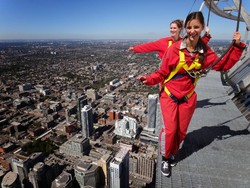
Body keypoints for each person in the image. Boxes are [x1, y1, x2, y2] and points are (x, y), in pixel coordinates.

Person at [136, 11, 245, 177]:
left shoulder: (205, 52)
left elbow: (222, 65)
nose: (192, 30)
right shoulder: (173, 50)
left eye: (196, 27)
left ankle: (173, 152)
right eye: (189, 27)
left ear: (202, 28)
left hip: (187, 98)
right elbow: (162, 73)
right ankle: (166, 157)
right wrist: (149, 79)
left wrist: (236, 46)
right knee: (170, 131)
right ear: (185, 28)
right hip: (169, 95)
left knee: (181, 132)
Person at [128, 19, 211, 60]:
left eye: (174, 28)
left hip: (179, 73)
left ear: (180, 29)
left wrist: (206, 35)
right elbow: (149, 46)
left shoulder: (184, 42)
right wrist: (135, 48)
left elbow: (197, 45)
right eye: (171, 28)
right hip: (166, 74)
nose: (172, 30)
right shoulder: (163, 42)